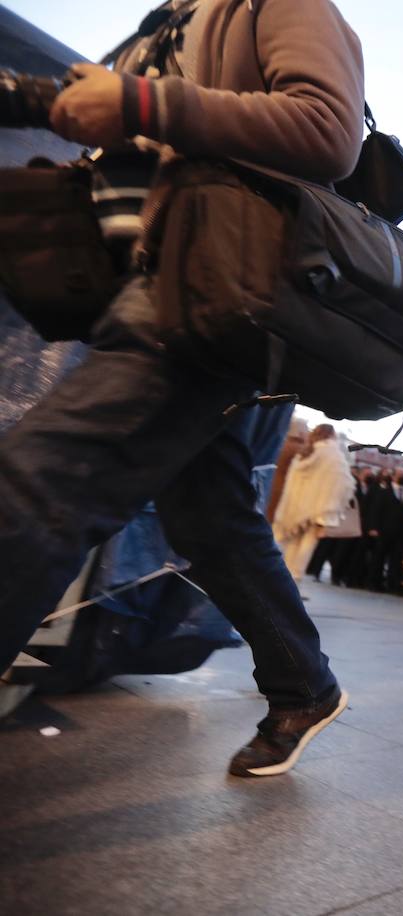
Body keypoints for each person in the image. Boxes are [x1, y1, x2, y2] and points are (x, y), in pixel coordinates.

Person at [0, 0, 364, 777]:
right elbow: (96, 107)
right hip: (147, 284)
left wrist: (138, 100)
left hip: (208, 292)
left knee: (34, 488)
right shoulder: (163, 23)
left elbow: (329, 128)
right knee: (211, 517)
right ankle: (304, 683)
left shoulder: (278, 6)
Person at [272, 424, 355, 581]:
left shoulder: (305, 452)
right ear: (331, 435)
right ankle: (294, 577)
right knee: (307, 544)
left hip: (296, 505)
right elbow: (345, 483)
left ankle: (283, 576)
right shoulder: (333, 453)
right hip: (320, 507)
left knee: (292, 542)